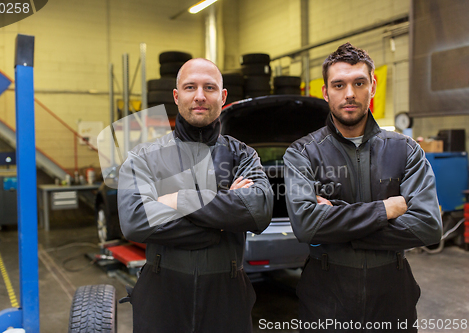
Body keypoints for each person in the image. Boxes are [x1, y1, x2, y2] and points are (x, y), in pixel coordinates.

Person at [283, 43, 442, 332]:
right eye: (339, 84)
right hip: (325, 298)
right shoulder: (303, 153)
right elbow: (306, 226)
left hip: (392, 298)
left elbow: (428, 226)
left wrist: (340, 226)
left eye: (359, 82)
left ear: (373, 86)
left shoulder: (405, 150)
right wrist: (386, 209)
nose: (349, 94)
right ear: (325, 92)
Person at [117, 58, 273, 333]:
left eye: (209, 87)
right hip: (161, 300)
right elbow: (136, 221)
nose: (200, 96)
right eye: (190, 87)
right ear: (177, 96)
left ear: (223, 97)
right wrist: (224, 221)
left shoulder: (243, 155)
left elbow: (259, 210)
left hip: (227, 302)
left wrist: (179, 200)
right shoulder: (144, 157)